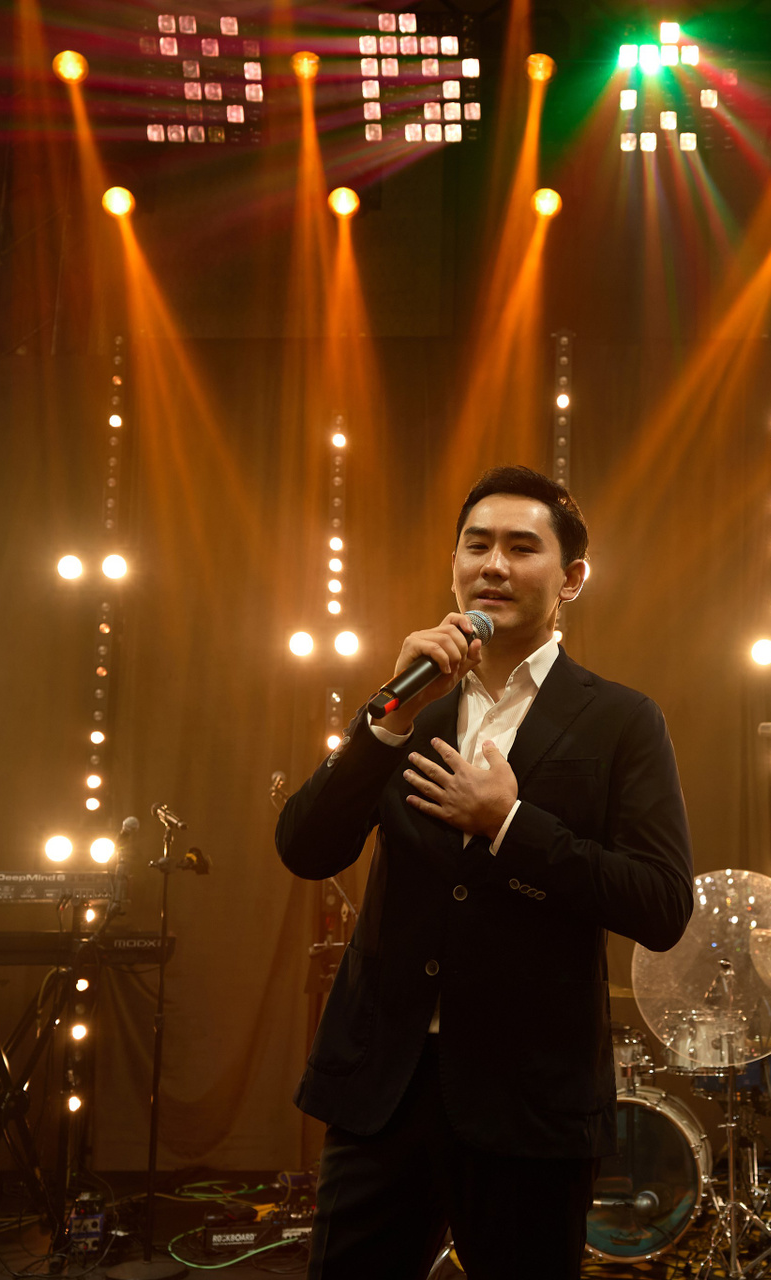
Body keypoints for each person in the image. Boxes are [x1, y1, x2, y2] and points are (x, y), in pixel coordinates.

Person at [276, 465, 695, 1279]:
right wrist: (386, 722)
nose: (493, 564)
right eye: (477, 545)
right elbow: (305, 847)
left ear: (571, 578)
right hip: (384, 1088)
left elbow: (662, 903)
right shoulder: (412, 708)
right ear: (454, 566)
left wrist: (510, 824)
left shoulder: (621, 719)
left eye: (521, 547)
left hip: (530, 1101)